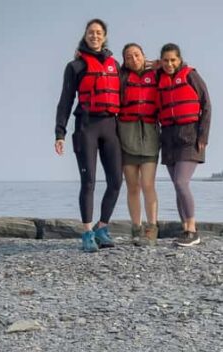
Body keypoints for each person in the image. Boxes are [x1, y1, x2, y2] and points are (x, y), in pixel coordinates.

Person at [55, 19, 123, 252]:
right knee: (89, 182)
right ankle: (86, 233)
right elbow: (65, 100)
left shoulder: (115, 64)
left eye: (99, 32)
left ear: (104, 36)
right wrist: (60, 133)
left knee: (116, 181)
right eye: (91, 32)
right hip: (86, 127)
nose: (95, 36)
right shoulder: (75, 66)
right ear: (85, 35)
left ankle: (102, 227)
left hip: (110, 127)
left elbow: (130, 85)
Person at [158, 43, 211, 247]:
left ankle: (192, 230)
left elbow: (206, 105)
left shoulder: (191, 76)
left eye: (173, 60)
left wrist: (203, 137)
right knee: (176, 186)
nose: (169, 64)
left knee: (181, 182)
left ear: (180, 59)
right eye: (165, 60)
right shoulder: (159, 77)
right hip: (169, 137)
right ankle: (184, 230)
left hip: (189, 136)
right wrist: (155, 65)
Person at [118, 43, 160, 246]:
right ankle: (136, 228)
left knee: (148, 184)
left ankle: (151, 228)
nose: (133, 59)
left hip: (150, 135)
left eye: (136, 55)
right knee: (132, 186)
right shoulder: (121, 78)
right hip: (126, 134)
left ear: (144, 55)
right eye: (128, 57)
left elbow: (177, 66)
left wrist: (160, 64)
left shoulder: (157, 73)